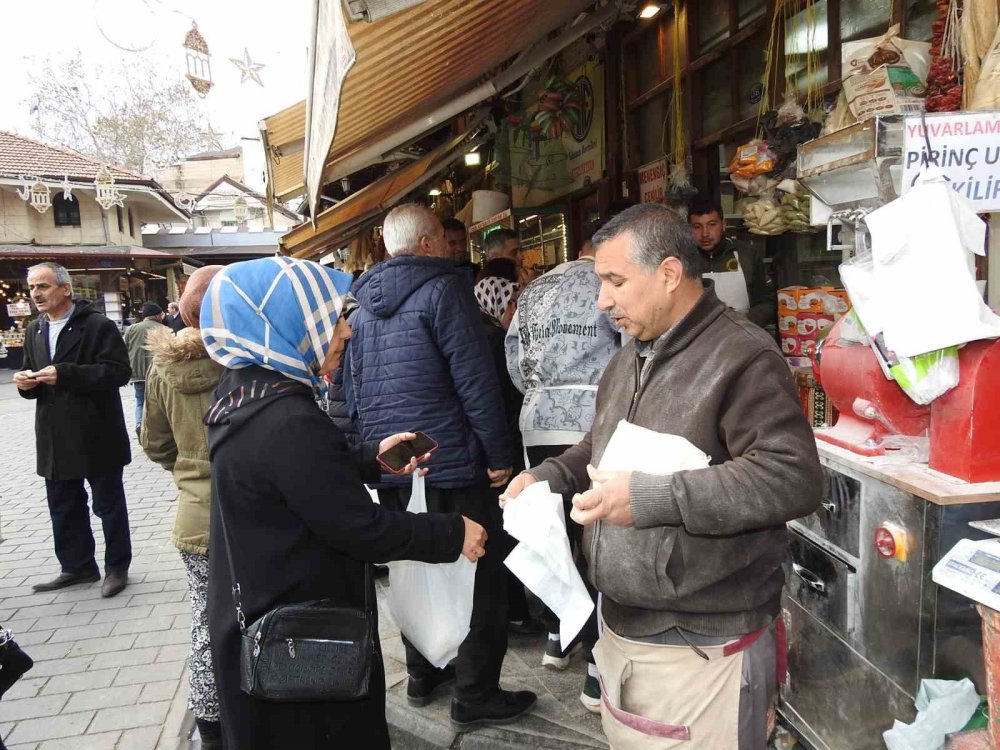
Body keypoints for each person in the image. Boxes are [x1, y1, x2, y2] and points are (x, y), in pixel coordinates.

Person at [501, 204, 822, 749]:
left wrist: (652, 497)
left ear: (670, 274)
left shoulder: (742, 356)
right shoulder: (629, 357)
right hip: (626, 627)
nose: (602, 300)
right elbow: (599, 442)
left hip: (703, 640)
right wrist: (551, 475)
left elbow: (791, 476)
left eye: (614, 281)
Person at [200, 256, 488, 750]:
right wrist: (453, 533)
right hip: (301, 635)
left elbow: (297, 474)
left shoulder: (244, 394)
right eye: (331, 318)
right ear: (288, 324)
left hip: (262, 612)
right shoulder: (287, 417)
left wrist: (370, 459)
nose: (346, 333)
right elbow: (360, 528)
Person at [346, 203, 536, 728]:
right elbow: (475, 382)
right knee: (479, 576)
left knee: (414, 567)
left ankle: (424, 673)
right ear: (428, 244)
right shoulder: (446, 291)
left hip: (395, 465)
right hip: (452, 460)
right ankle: (474, 694)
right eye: (445, 242)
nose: (455, 251)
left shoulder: (361, 306)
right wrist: (499, 457)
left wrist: (376, 461)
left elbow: (355, 392)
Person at [504, 236, 619, 705]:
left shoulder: (532, 290)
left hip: (537, 420)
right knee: (596, 533)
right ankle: (596, 659)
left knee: (553, 531)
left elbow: (513, 357)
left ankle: (557, 636)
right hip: (591, 417)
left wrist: (540, 391)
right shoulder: (608, 282)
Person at [140, 265, 225, 749]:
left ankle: (209, 727)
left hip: (194, 516)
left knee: (203, 618)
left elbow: (154, 443)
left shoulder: (162, 366)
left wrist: (190, 469)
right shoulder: (244, 359)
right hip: (247, 511)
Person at [14, 262, 132, 598]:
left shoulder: (97, 325)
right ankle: (77, 566)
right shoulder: (35, 329)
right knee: (63, 506)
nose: (36, 293)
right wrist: (25, 382)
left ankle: (116, 568)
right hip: (54, 436)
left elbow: (117, 372)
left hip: (96, 432)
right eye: (33, 287)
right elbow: (31, 372)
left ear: (66, 289)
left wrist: (66, 374)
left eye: (43, 286)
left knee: (108, 505)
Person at [688, 196, 775, 328]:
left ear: (723, 225)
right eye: (697, 227)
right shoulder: (683, 260)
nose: (705, 233)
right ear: (689, 229)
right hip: (700, 341)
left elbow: (769, 302)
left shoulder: (747, 254)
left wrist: (748, 317)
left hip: (743, 335)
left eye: (712, 225)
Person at [124, 302, 167, 438]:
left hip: (137, 373)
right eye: (160, 314)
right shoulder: (163, 329)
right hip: (157, 372)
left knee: (140, 401)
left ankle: (139, 424)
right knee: (159, 403)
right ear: (156, 315)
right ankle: (155, 432)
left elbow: (124, 349)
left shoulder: (131, 329)